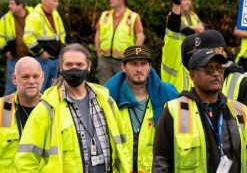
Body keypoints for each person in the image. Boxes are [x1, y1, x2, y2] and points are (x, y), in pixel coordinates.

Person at [15, 43, 129, 172]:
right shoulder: (46, 109)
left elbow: (122, 148)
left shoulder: (107, 102)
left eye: (80, 65)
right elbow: (25, 161)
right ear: (61, 68)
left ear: (89, 67)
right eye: (69, 65)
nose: (74, 69)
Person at [161, 0, 247, 111]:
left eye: (215, 50)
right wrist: (176, 8)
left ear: (223, 52)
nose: (204, 56)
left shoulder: (235, 79)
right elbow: (171, 43)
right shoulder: (180, 72)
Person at [153, 49, 247, 172]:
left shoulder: (240, 112)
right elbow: (161, 163)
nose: (216, 74)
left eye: (219, 68)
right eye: (209, 69)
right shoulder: (174, 111)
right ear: (193, 76)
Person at [104, 45, 178, 173]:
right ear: (123, 67)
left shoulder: (169, 96)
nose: (139, 69)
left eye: (143, 64)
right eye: (133, 64)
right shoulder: (107, 98)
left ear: (150, 67)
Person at [0, 56, 43, 172]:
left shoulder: (51, 109)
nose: (31, 81)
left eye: (36, 76)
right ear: (14, 79)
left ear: (42, 77)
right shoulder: (4, 108)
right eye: (25, 77)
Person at [95, 0, 145, 85]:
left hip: (123, 60)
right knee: (105, 88)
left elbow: (140, 36)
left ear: (122, 0)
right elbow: (98, 34)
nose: (110, 0)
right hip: (105, 60)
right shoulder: (105, 15)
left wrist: (132, 55)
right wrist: (98, 54)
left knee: (124, 87)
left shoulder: (133, 16)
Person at [23, 0, 66, 92]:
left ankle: (48, 107)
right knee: (39, 88)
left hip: (55, 58)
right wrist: (41, 52)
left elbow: (62, 33)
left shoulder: (55, 14)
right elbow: (28, 37)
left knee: (51, 89)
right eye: (55, 1)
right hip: (42, 59)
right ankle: (36, 107)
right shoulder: (34, 16)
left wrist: (62, 48)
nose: (57, 4)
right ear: (46, 1)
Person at [0, 0, 33, 95]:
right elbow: (0, 37)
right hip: (14, 58)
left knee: (33, 87)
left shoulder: (33, 15)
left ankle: (31, 110)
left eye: (12, 4)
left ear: (20, 5)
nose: (9, 6)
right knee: (11, 88)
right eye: (9, 3)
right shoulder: (5, 19)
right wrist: (6, 51)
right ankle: (6, 111)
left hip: (33, 57)